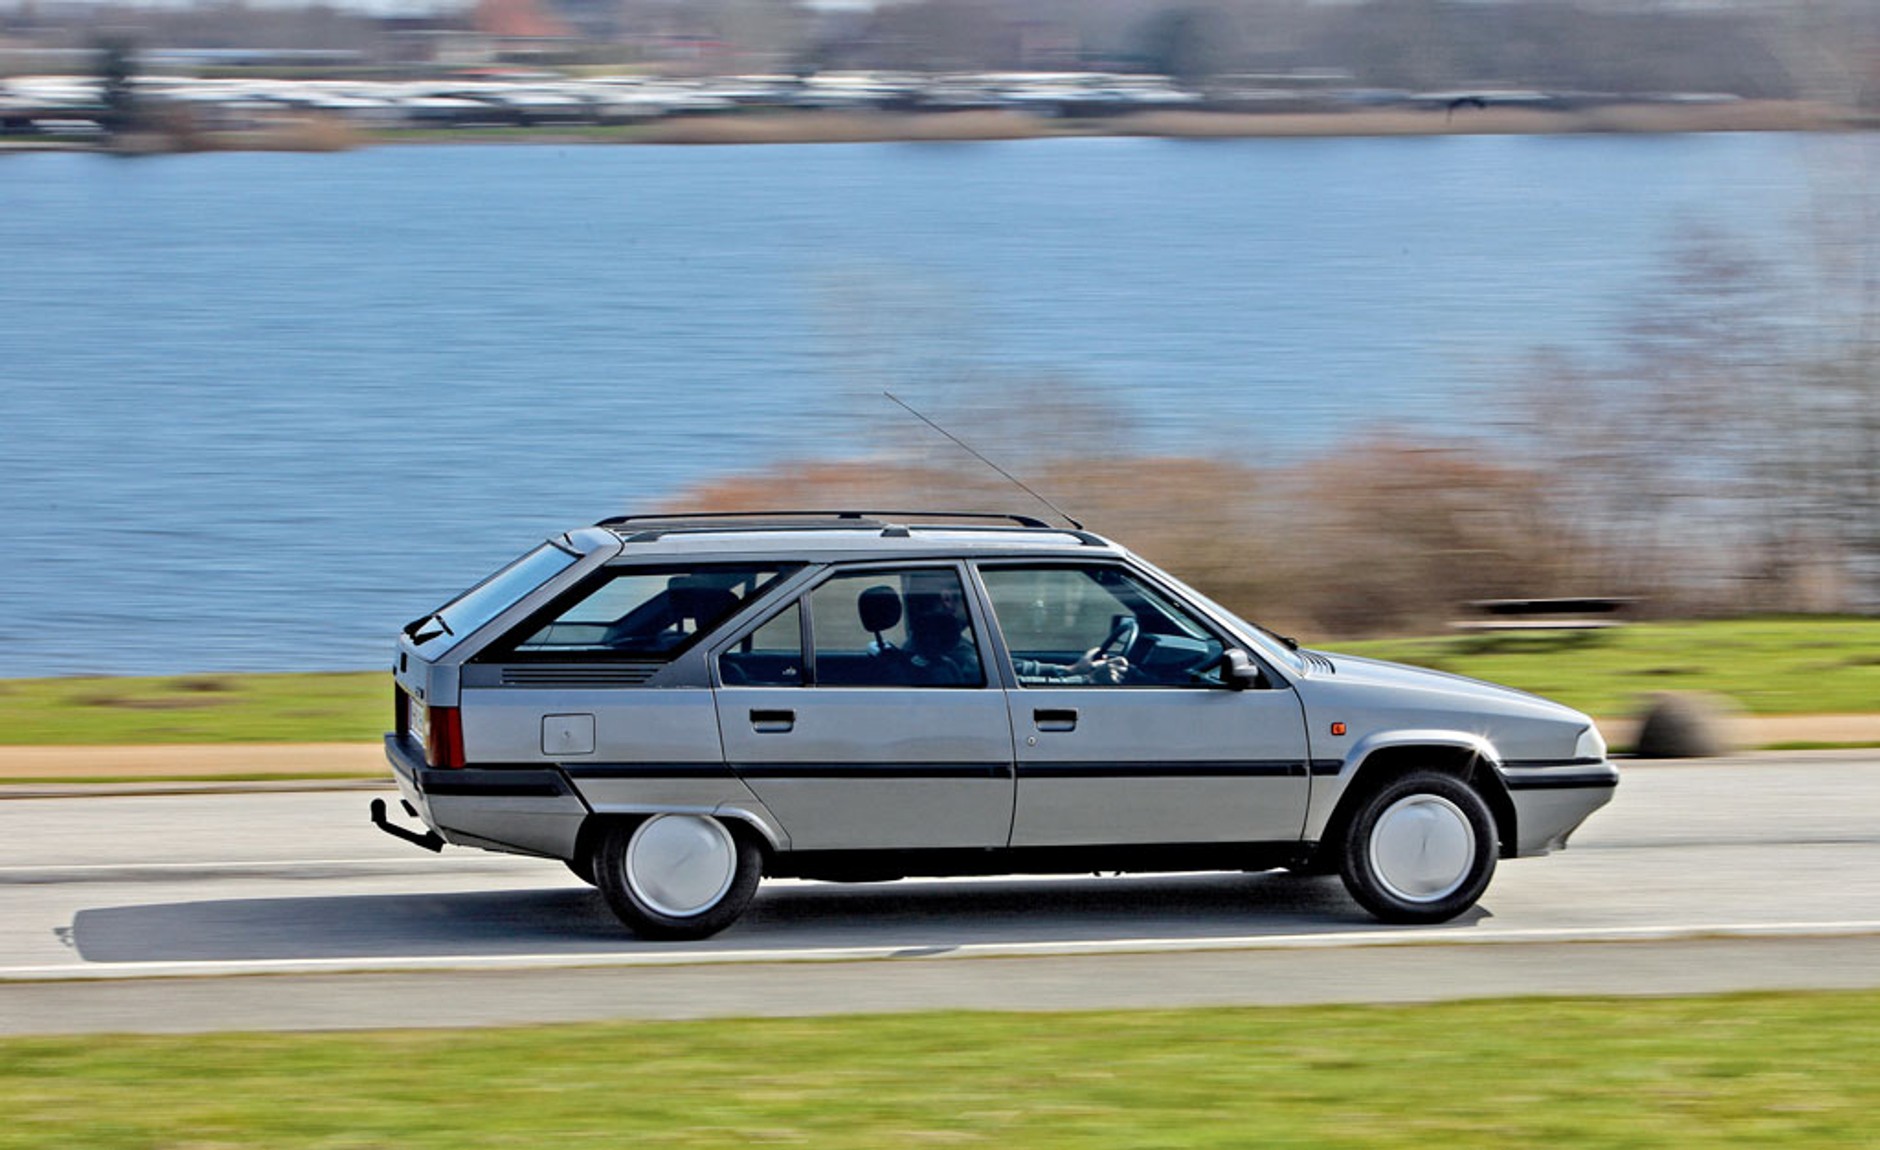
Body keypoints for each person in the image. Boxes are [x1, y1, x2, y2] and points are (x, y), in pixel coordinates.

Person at [903, 573, 1127, 686]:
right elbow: (1014, 686)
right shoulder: (951, 657)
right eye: (973, 591)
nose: (984, 601)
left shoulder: (933, 645)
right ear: (948, 598)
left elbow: (1007, 669)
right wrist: (1089, 681)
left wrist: (1070, 670)